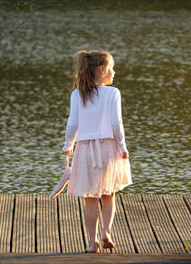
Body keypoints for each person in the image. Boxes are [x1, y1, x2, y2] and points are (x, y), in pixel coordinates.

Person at [62, 50, 132, 253]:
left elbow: (72, 123)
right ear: (102, 70)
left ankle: (92, 244)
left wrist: (68, 145)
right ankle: (106, 232)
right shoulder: (113, 93)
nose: (114, 72)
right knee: (108, 194)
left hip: (84, 149)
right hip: (107, 148)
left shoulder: (77, 94)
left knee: (90, 199)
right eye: (112, 68)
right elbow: (116, 124)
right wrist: (122, 147)